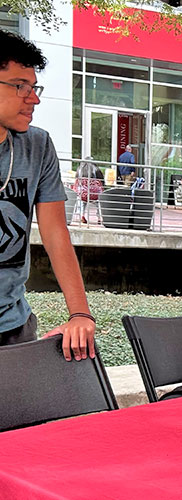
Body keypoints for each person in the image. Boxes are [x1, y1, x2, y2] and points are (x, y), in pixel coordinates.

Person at [0, 30, 96, 361]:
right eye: (20, 86)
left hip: (14, 327)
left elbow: (55, 232)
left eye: (34, 87)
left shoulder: (37, 145)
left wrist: (80, 313)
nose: (34, 99)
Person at [72, 156, 104, 224]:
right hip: (94, 194)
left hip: (83, 193)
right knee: (98, 203)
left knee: (81, 201)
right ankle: (99, 217)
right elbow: (101, 180)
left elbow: (76, 180)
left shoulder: (79, 169)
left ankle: (81, 215)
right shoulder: (96, 169)